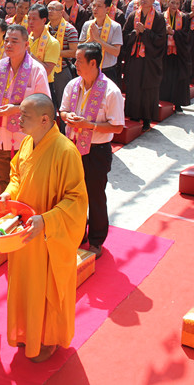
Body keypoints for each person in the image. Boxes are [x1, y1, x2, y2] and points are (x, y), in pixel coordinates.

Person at [0, 93, 88, 362]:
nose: (18, 119)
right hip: (24, 233)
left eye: (24, 115)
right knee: (24, 286)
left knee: (45, 290)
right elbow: (17, 173)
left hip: (48, 237)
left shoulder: (65, 151)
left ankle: (48, 340)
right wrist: (8, 191)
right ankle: (27, 333)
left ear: (45, 119)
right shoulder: (27, 142)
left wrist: (47, 220)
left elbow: (76, 199)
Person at [60, 42, 124, 257]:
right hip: (72, 147)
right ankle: (79, 233)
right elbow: (63, 111)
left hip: (97, 150)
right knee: (74, 194)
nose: (75, 64)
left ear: (93, 62)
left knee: (95, 196)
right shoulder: (73, 85)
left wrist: (90, 125)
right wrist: (67, 117)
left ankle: (97, 240)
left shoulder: (111, 91)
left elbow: (117, 126)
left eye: (79, 60)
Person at [0, 25, 50, 193]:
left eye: (14, 41)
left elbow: (43, 102)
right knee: (3, 180)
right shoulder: (0, 65)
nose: (9, 45)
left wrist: (14, 109)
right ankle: (7, 215)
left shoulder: (36, 70)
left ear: (26, 44)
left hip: (24, 137)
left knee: (24, 182)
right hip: (0, 135)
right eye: (6, 40)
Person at [122, 0, 167, 130]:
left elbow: (161, 40)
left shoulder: (159, 18)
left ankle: (147, 119)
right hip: (135, 58)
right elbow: (124, 35)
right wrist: (135, 33)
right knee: (134, 86)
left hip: (150, 59)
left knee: (148, 88)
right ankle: (134, 116)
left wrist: (145, 32)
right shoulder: (133, 15)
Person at [79, 0, 123, 82]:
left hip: (108, 70)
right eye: (94, 5)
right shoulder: (88, 25)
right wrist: (91, 39)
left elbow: (116, 52)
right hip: (89, 69)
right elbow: (79, 48)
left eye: (99, 6)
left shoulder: (115, 26)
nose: (95, 9)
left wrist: (98, 40)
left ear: (107, 9)